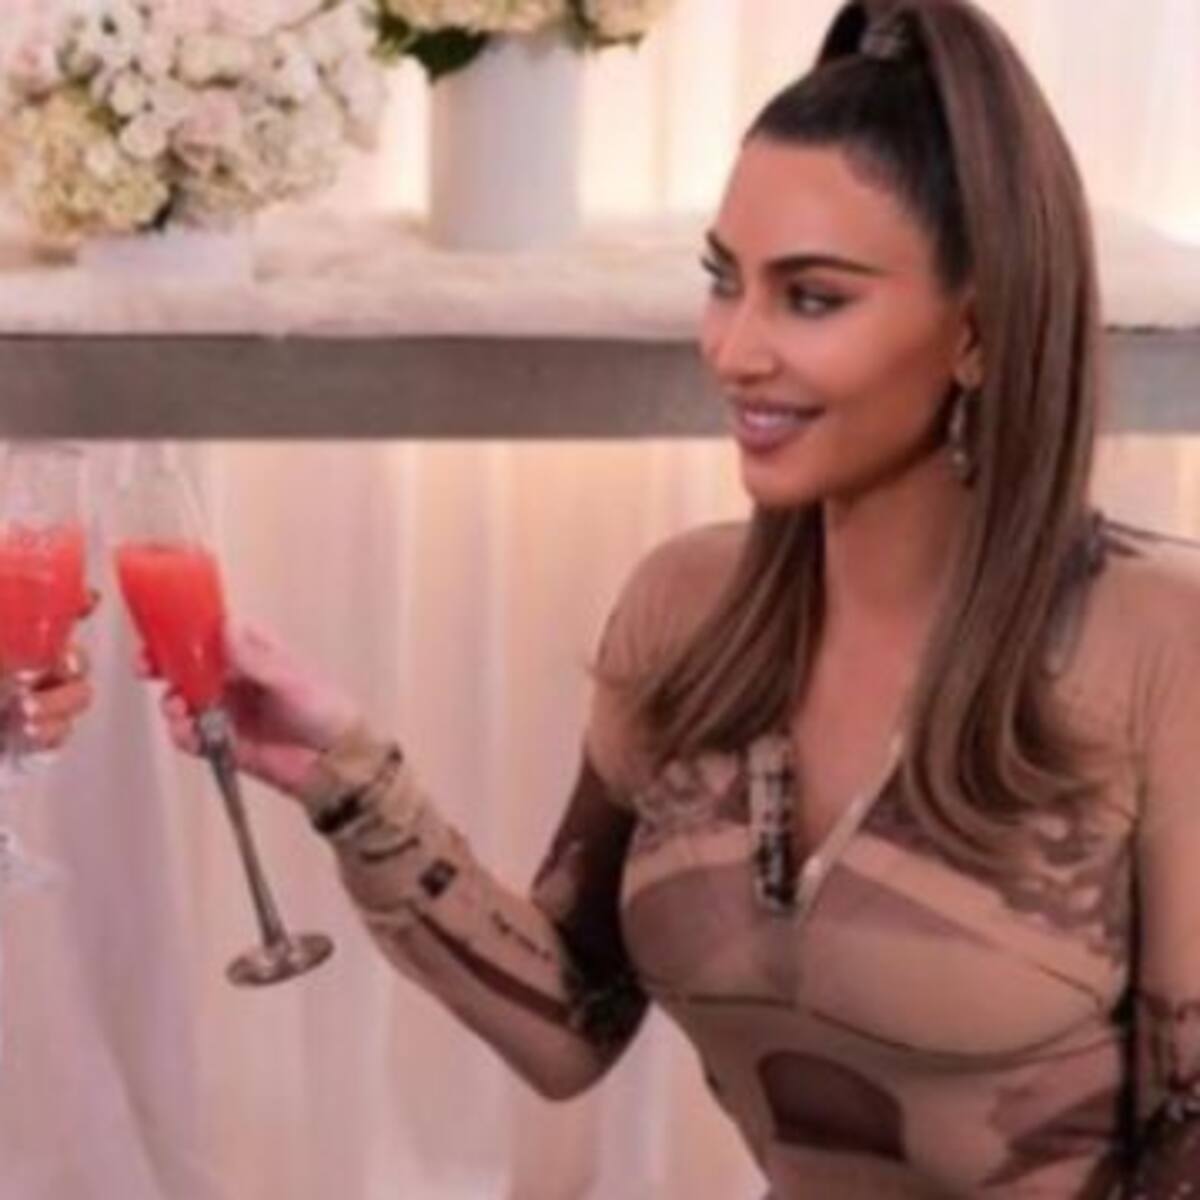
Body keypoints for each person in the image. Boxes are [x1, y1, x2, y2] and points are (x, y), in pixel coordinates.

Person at [148, 0, 1200, 1194]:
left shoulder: (1160, 642)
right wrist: (346, 776)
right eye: (723, 281)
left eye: (813, 297)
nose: (734, 349)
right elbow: (571, 1020)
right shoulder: (688, 611)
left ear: (979, 331)